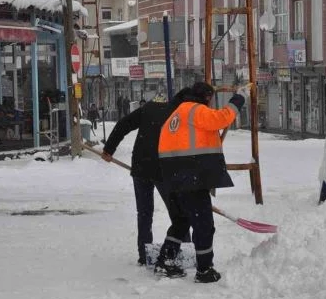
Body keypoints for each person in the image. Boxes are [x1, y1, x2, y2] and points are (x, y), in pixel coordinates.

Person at [156, 82, 248, 283]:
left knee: (181, 222)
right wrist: (239, 98)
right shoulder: (196, 110)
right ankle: (204, 270)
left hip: (174, 177)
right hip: (192, 177)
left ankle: (166, 260)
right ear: (206, 97)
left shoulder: (177, 114)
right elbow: (221, 119)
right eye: (211, 99)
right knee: (204, 225)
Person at [101, 88, 192, 266]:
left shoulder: (149, 108)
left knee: (144, 213)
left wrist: (108, 149)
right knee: (179, 214)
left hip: (141, 166)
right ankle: (186, 249)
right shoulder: (180, 114)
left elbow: (123, 124)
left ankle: (144, 254)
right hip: (162, 169)